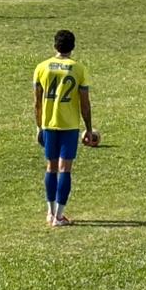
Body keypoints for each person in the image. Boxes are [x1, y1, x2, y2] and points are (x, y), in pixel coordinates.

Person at [32, 29, 93, 227]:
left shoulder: (42, 67)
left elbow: (37, 102)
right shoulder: (79, 69)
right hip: (69, 126)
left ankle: (50, 213)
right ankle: (59, 215)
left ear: (54, 46)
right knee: (64, 169)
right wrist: (89, 128)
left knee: (51, 167)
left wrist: (39, 126)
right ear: (73, 47)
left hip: (49, 124)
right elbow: (84, 103)